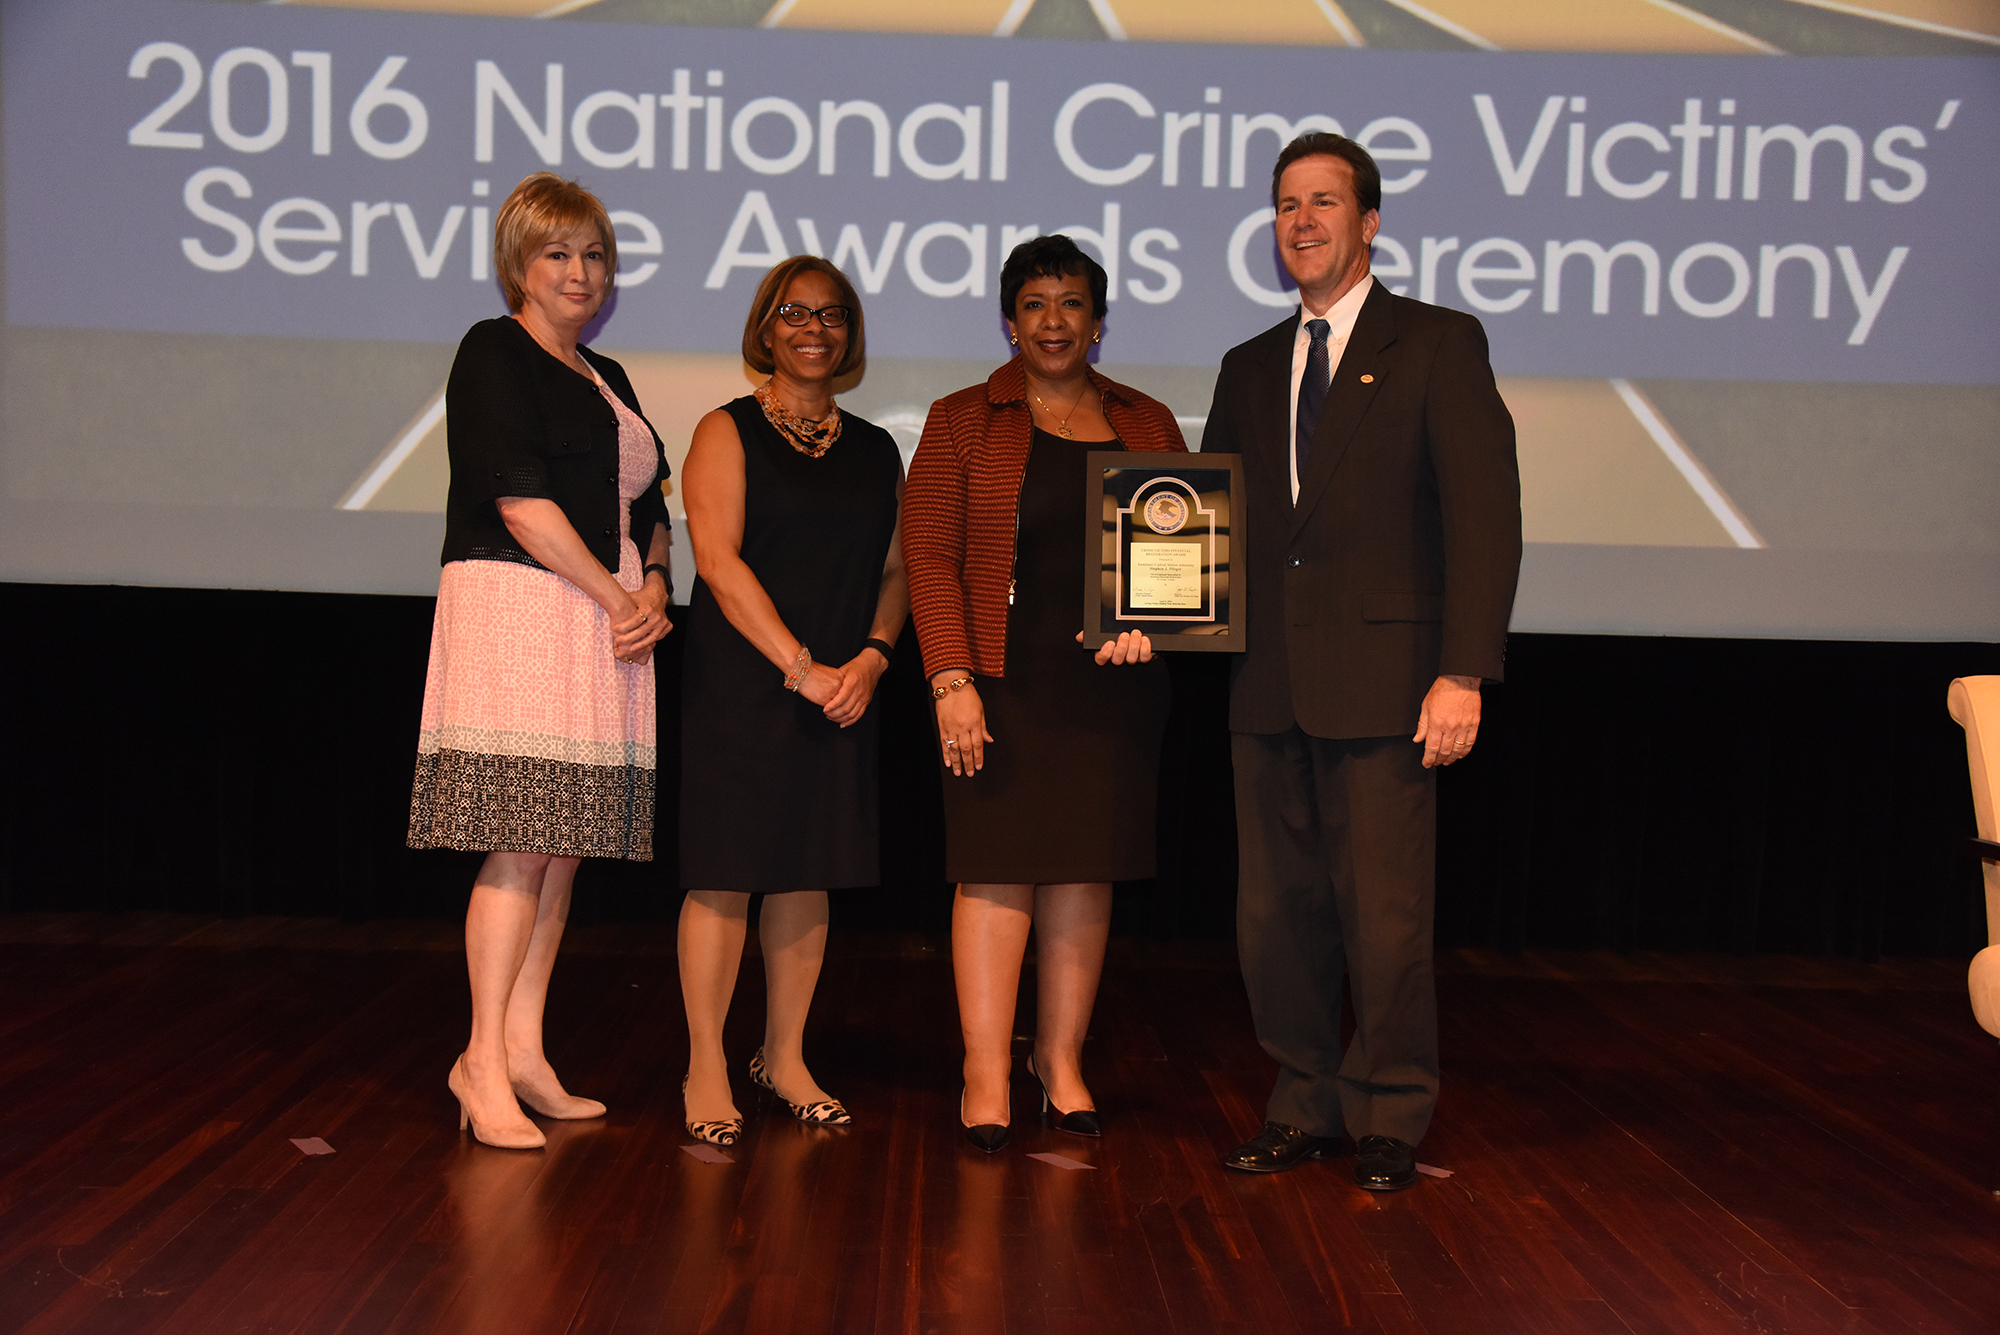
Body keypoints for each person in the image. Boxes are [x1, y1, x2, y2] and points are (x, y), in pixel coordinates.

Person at [1204, 134, 1521, 1187]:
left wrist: (1463, 670)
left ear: (1368, 222)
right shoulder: (1248, 365)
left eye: (1323, 202)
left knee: (1383, 922)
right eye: (1285, 204)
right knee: (1272, 924)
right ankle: (1302, 1101)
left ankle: (1390, 1110)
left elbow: (1484, 521)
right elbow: (1210, 531)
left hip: (1391, 687)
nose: (1300, 221)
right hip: (1266, 686)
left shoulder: (1436, 343)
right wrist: (1148, 618)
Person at [903, 235, 1186, 1153]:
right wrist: (950, 678)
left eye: (1071, 304)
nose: (1053, 321)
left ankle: (1058, 1061)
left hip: (1111, 687)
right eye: (1034, 304)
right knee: (993, 864)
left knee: (1083, 865)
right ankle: (986, 1066)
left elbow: (1180, 569)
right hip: (995, 675)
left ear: (1098, 324)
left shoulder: (1149, 422)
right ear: (1009, 321)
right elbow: (931, 559)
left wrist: (1161, 624)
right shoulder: (960, 420)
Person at [409, 173, 674, 1150]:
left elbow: (649, 507)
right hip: (524, 606)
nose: (579, 272)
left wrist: (651, 586)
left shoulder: (610, 376)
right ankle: (479, 1062)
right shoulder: (494, 352)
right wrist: (618, 599)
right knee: (521, 836)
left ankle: (524, 1052)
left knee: (560, 845)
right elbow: (519, 500)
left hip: (600, 615)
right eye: (557, 253)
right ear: (518, 264)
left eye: (594, 254)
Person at [676, 256, 907, 1146]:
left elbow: (899, 570)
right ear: (765, 328)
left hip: (843, 689)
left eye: (833, 316)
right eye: (794, 314)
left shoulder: (879, 448)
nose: (815, 329)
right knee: (726, 872)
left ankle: (785, 1057)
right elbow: (720, 565)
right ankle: (705, 1063)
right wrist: (802, 666)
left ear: (849, 334)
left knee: (810, 870)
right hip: (747, 685)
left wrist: (874, 659)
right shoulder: (724, 430)